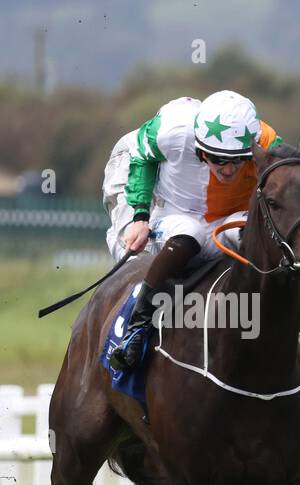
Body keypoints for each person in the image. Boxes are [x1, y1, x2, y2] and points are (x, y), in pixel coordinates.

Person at [105, 90, 282, 371]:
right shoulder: (173, 129)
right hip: (176, 214)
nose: (227, 170)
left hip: (229, 219)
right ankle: (136, 328)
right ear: (200, 148)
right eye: (218, 159)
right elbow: (140, 154)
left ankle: (295, 320)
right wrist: (140, 214)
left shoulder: (266, 140)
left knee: (260, 237)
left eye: (237, 160)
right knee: (191, 234)